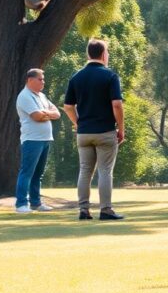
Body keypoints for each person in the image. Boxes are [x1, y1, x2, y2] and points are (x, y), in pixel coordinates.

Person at [63, 38, 125, 221]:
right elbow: (117, 104)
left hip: (84, 133)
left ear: (88, 53)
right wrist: (121, 128)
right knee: (105, 171)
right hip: (105, 131)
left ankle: (84, 210)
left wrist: (78, 123)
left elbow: (68, 106)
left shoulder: (76, 77)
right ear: (104, 54)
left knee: (85, 171)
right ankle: (105, 209)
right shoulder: (110, 76)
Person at [14, 68, 61, 213]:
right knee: (27, 172)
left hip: (45, 139)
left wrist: (45, 113)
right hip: (32, 140)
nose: (43, 82)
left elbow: (57, 113)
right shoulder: (25, 96)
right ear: (30, 80)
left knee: (38, 174)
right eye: (40, 79)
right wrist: (47, 114)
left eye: (43, 79)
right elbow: (36, 116)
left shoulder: (42, 96)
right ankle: (21, 204)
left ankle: (36, 203)